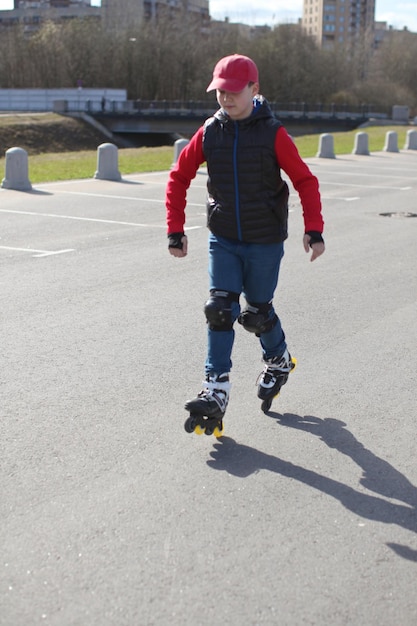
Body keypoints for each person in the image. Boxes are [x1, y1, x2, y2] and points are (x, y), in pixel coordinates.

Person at [166, 54, 325, 427]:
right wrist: (175, 229)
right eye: (219, 91)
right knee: (219, 310)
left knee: (256, 314)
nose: (225, 98)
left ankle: (279, 360)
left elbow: (305, 180)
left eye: (233, 91)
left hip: (264, 239)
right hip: (223, 237)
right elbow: (178, 177)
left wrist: (313, 228)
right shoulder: (210, 131)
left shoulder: (273, 133)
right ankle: (215, 387)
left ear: (254, 90)